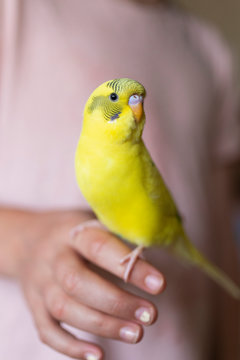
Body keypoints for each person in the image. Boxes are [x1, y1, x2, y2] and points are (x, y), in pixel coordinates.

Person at [0, 0, 239, 359]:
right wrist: (24, 241)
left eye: (136, 100)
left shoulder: (210, 54)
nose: (132, 106)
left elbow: (219, 245)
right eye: (117, 98)